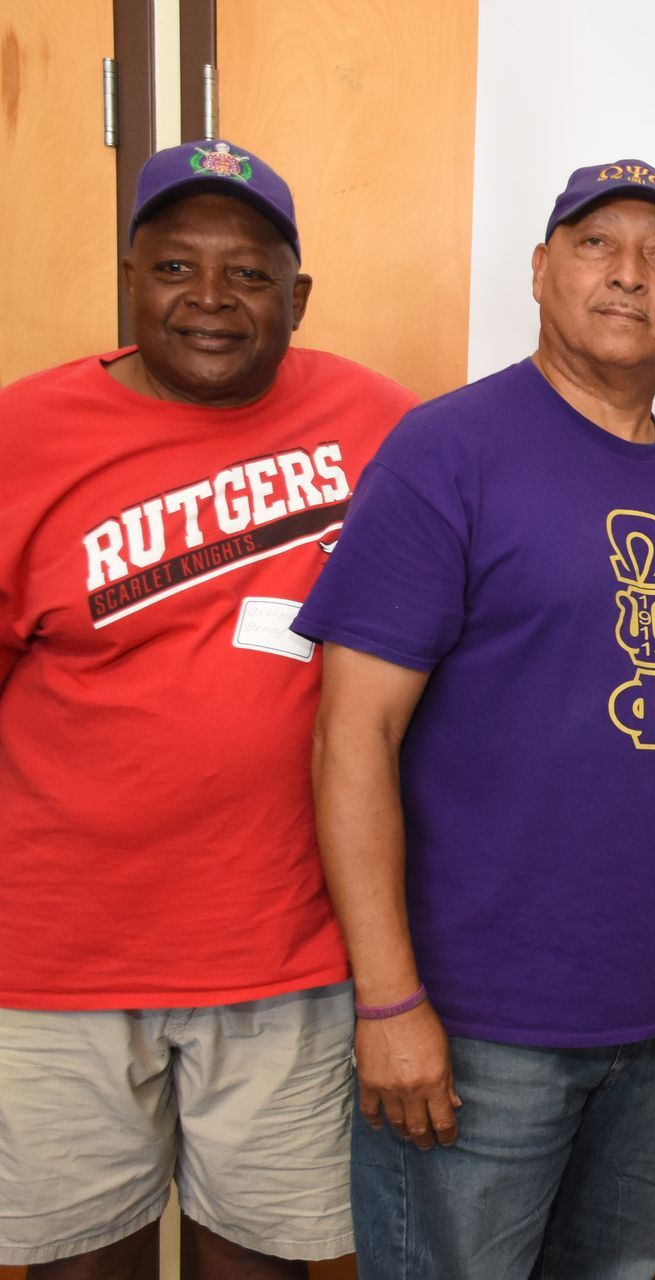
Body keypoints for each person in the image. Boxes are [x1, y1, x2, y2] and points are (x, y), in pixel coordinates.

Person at [293, 158, 655, 1279]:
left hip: (646, 1017)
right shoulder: (446, 451)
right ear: (538, 268)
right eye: (595, 244)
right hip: (472, 1025)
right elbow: (351, 736)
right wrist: (389, 998)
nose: (628, 274)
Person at [0, 139, 412, 1278]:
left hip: (282, 950)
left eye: (249, 273)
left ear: (299, 294)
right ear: (129, 277)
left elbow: (535, 494)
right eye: (177, 268)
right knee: (85, 1264)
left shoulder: (380, 421)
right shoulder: (20, 436)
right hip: (57, 962)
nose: (213, 300)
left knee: (263, 1265)